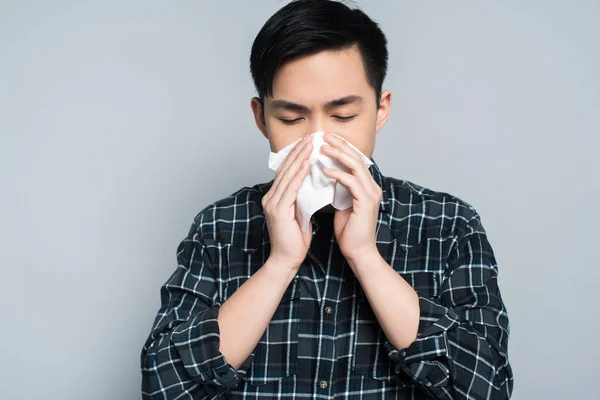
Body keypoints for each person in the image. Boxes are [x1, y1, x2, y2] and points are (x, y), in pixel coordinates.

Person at [140, 0, 513, 398]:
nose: (319, 143)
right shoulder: (220, 226)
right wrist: (279, 264)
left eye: (343, 116)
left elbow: (488, 389)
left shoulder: (448, 224)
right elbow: (164, 388)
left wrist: (366, 257)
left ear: (380, 110)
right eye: (291, 119)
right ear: (262, 117)